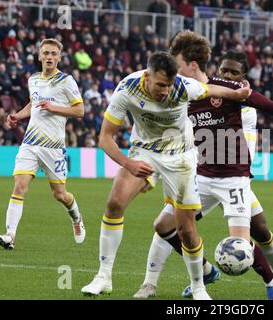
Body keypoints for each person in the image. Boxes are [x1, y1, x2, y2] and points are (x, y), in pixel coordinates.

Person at [134, 32, 273, 299]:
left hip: (234, 178)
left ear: (191, 64)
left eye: (177, 65)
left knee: (247, 240)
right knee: (165, 225)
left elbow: (265, 104)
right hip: (199, 177)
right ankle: (155, 282)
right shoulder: (180, 93)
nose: (173, 73)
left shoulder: (229, 92)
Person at [80, 51, 251, 300]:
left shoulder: (184, 87)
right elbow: (105, 138)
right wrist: (128, 164)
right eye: (160, 85)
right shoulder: (127, 89)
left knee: (186, 229)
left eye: (169, 85)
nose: (165, 91)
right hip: (145, 152)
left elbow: (212, 90)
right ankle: (103, 276)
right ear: (147, 76)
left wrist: (237, 94)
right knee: (114, 203)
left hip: (181, 157)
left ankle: (199, 287)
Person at [0, 38, 86, 250]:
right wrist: (18, 115)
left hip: (53, 147)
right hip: (30, 143)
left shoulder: (67, 81)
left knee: (60, 195)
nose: (50, 57)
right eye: (46, 53)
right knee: (19, 186)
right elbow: (33, 104)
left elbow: (80, 111)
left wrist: (55, 108)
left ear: (59, 57)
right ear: (39, 56)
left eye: (54, 53)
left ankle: (76, 218)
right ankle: (10, 236)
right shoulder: (33, 79)